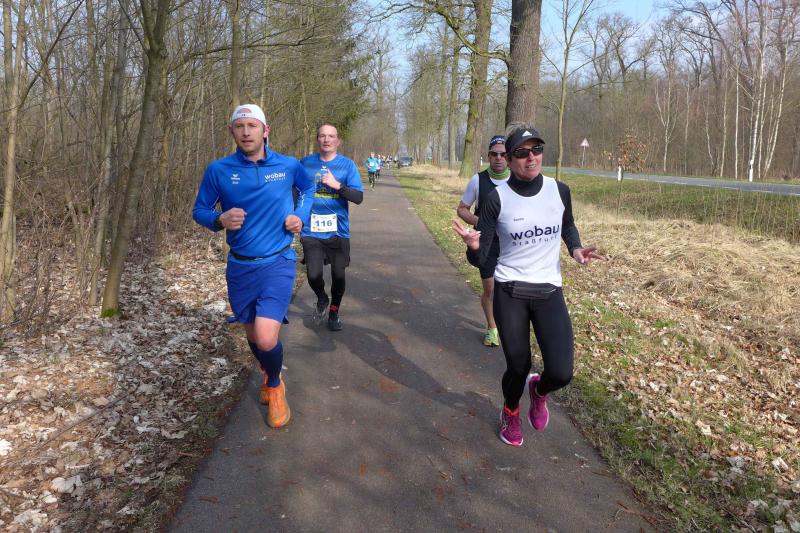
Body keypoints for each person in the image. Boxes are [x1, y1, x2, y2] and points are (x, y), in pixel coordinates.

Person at [453, 123, 604, 447]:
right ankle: (510, 411)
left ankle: (539, 390)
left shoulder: (559, 190)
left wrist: (575, 249)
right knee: (518, 366)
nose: (531, 157)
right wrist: (474, 247)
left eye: (537, 149)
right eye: (521, 153)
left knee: (561, 372)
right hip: (510, 291)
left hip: (549, 291)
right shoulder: (496, 198)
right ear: (509, 160)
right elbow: (483, 258)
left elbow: (567, 224)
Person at [192, 104, 314, 429]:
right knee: (253, 337)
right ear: (232, 131)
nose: (246, 132)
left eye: (253, 125)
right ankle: (268, 373)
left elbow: (308, 189)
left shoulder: (288, 166)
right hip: (240, 267)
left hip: (278, 262)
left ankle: (274, 386)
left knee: (266, 338)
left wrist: (300, 216)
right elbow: (200, 210)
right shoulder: (218, 170)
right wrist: (219, 218)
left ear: (265, 130)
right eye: (240, 126)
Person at [300, 124, 364, 331]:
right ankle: (322, 298)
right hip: (311, 230)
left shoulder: (347, 165)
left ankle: (334, 312)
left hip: (338, 232)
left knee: (338, 275)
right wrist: (294, 215)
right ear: (317, 139)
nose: (326, 139)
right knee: (313, 275)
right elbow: (294, 190)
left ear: (338, 141)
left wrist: (338, 186)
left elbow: (358, 197)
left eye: (331, 136)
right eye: (322, 136)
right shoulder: (306, 164)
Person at [456, 135, 509, 347]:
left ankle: (510, 324)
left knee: (510, 290)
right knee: (490, 289)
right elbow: (461, 209)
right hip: (486, 244)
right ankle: (492, 328)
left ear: (509, 157)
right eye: (494, 154)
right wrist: (480, 221)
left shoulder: (517, 180)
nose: (498, 158)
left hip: (512, 244)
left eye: (503, 154)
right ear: (488, 156)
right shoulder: (478, 180)